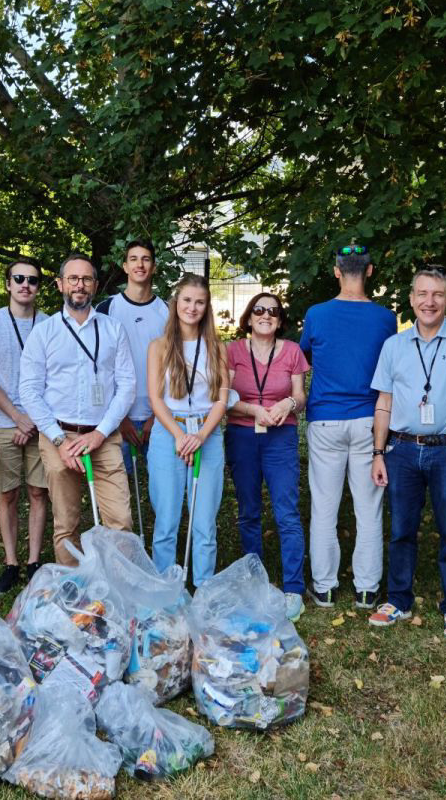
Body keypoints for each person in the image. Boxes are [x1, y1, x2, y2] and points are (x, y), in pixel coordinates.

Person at [369, 265, 446, 640]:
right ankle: (398, 599)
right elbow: (384, 402)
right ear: (411, 299)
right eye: (422, 294)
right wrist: (378, 452)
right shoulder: (393, 346)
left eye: (438, 294)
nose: (430, 301)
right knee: (401, 530)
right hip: (402, 451)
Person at [18, 252, 136, 566]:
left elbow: (127, 385)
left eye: (86, 279)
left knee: (121, 523)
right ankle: (72, 589)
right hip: (59, 436)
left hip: (103, 436)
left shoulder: (113, 329)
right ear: (60, 284)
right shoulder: (43, 333)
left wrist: (100, 433)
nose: (79, 285)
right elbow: (29, 390)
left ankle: (114, 586)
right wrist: (59, 440)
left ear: (95, 285)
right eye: (73, 278)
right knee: (66, 525)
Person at [299, 244, 397, 611]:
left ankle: (325, 588)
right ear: (369, 271)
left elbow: (304, 356)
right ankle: (367, 590)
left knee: (324, 507)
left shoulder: (316, 314)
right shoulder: (386, 318)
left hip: (326, 418)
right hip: (370, 420)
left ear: (337, 271)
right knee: (368, 508)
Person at [225, 291, 310, 621]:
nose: (265, 315)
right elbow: (224, 398)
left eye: (273, 311)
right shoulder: (233, 351)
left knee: (287, 512)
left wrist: (288, 403)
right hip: (243, 436)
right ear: (248, 317)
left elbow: (300, 396)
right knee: (249, 512)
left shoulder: (292, 351)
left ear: (280, 319)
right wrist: (253, 410)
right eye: (259, 310)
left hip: (280, 437)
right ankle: (255, 584)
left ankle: (294, 589)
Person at [147, 273, 229, 586]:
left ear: (206, 307)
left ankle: (204, 588)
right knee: (166, 520)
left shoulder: (217, 347)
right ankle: (165, 590)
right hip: (169, 432)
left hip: (206, 433)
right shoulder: (159, 347)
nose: (192, 308)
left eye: (199, 302)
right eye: (187, 300)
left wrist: (200, 436)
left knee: (204, 523)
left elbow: (221, 399)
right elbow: (156, 398)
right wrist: (181, 436)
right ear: (176, 303)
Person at [0, 260, 49, 594]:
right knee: (7, 494)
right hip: (3, 422)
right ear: (8, 283)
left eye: (32, 280)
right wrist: (16, 417)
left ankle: (34, 562)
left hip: (39, 423)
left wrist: (31, 420)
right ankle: (11, 563)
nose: (25, 284)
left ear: (38, 287)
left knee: (38, 492)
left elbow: (53, 378)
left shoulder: (49, 324)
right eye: (19, 278)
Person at [95, 240, 169, 470]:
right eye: (134, 259)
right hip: (117, 418)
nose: (140, 264)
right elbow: (97, 368)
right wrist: (118, 417)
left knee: (163, 485)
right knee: (118, 487)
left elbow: (175, 367)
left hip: (160, 418)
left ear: (154, 267)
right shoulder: (105, 310)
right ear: (125, 266)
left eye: (146, 259)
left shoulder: (169, 311)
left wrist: (158, 416)